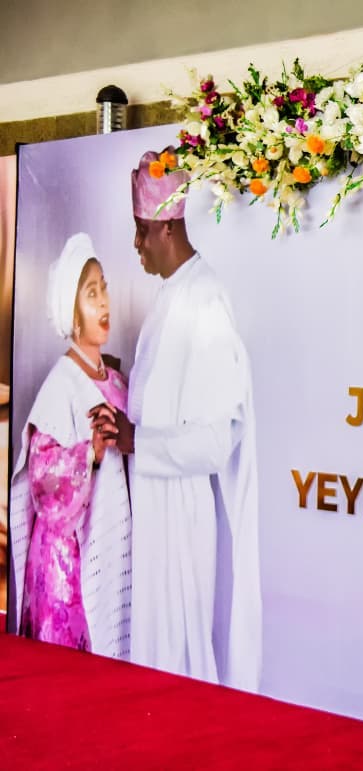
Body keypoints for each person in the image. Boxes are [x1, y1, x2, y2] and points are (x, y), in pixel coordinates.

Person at [93, 148, 262, 689]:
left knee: (177, 658)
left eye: (141, 231)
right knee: (152, 653)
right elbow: (162, 399)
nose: (136, 245)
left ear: (167, 226)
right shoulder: (173, 295)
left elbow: (215, 441)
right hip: (154, 502)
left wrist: (140, 440)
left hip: (182, 513)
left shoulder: (205, 298)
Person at [7, 232, 131, 657]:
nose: (103, 303)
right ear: (73, 315)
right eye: (91, 293)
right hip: (65, 566)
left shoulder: (115, 382)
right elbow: (42, 481)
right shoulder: (60, 384)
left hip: (110, 547)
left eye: (104, 290)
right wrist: (90, 453)